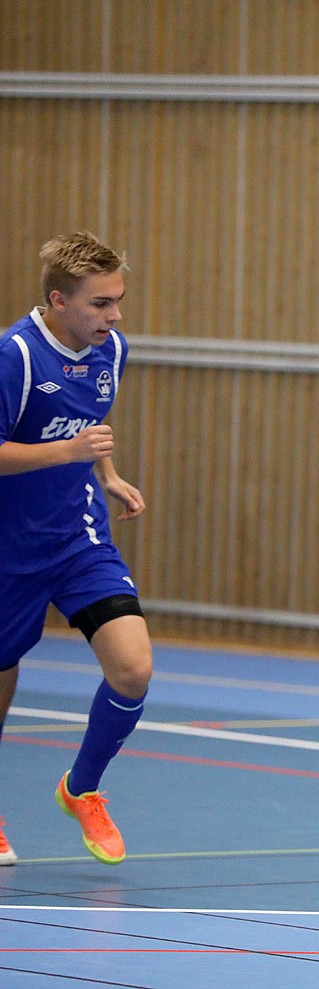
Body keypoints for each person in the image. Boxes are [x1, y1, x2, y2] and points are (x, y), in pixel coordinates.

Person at [0, 231, 153, 867]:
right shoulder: (16, 357)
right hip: (9, 547)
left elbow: (87, 425)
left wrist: (107, 475)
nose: (114, 315)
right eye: (100, 304)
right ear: (59, 300)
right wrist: (67, 453)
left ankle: (82, 787)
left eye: (117, 300)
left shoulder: (109, 350)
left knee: (133, 668)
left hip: (76, 534)